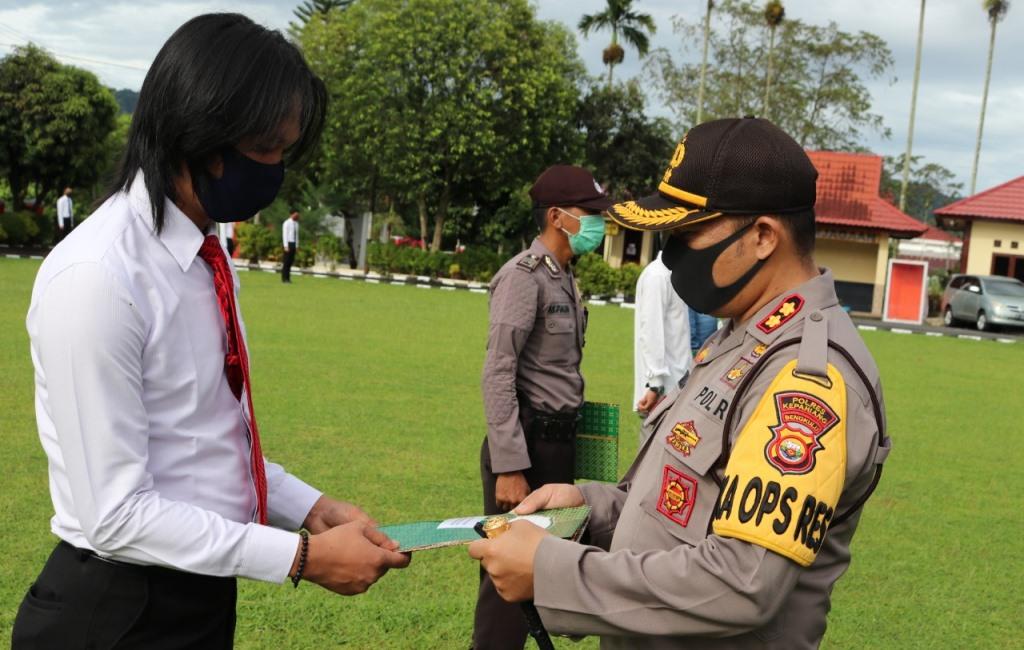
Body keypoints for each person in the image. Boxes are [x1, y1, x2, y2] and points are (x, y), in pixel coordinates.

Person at [13, 14, 408, 650]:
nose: (278, 170)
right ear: (202, 135)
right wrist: (300, 557)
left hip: (197, 595)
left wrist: (311, 507)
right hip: (117, 614)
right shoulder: (99, 277)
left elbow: (204, 445)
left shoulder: (205, 261)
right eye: (267, 150)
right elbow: (115, 515)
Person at [470, 117, 891, 649]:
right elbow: (684, 507)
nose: (671, 255)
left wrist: (554, 572)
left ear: (763, 236)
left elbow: (742, 582)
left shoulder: (807, 381)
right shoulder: (740, 338)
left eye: (687, 234)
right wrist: (591, 504)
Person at [474, 164, 612, 650]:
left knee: (546, 567)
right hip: (528, 447)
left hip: (561, 443)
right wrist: (511, 465)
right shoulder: (522, 277)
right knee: (507, 576)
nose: (599, 223)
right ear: (557, 216)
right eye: (589, 214)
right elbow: (498, 372)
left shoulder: (565, 278)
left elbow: (565, 373)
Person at [633, 245, 692, 439]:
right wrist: (655, 384)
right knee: (652, 460)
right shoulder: (657, 276)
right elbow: (651, 331)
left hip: (677, 386)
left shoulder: (672, 276)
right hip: (662, 391)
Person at [282, 209, 299, 283]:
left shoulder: (296, 224)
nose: (297, 216)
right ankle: (284, 278)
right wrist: (285, 246)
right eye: (295, 214)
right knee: (286, 262)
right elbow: (285, 234)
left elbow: (297, 235)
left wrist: (297, 245)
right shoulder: (287, 223)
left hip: (293, 243)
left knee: (290, 262)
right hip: (288, 243)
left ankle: (288, 278)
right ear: (291, 214)